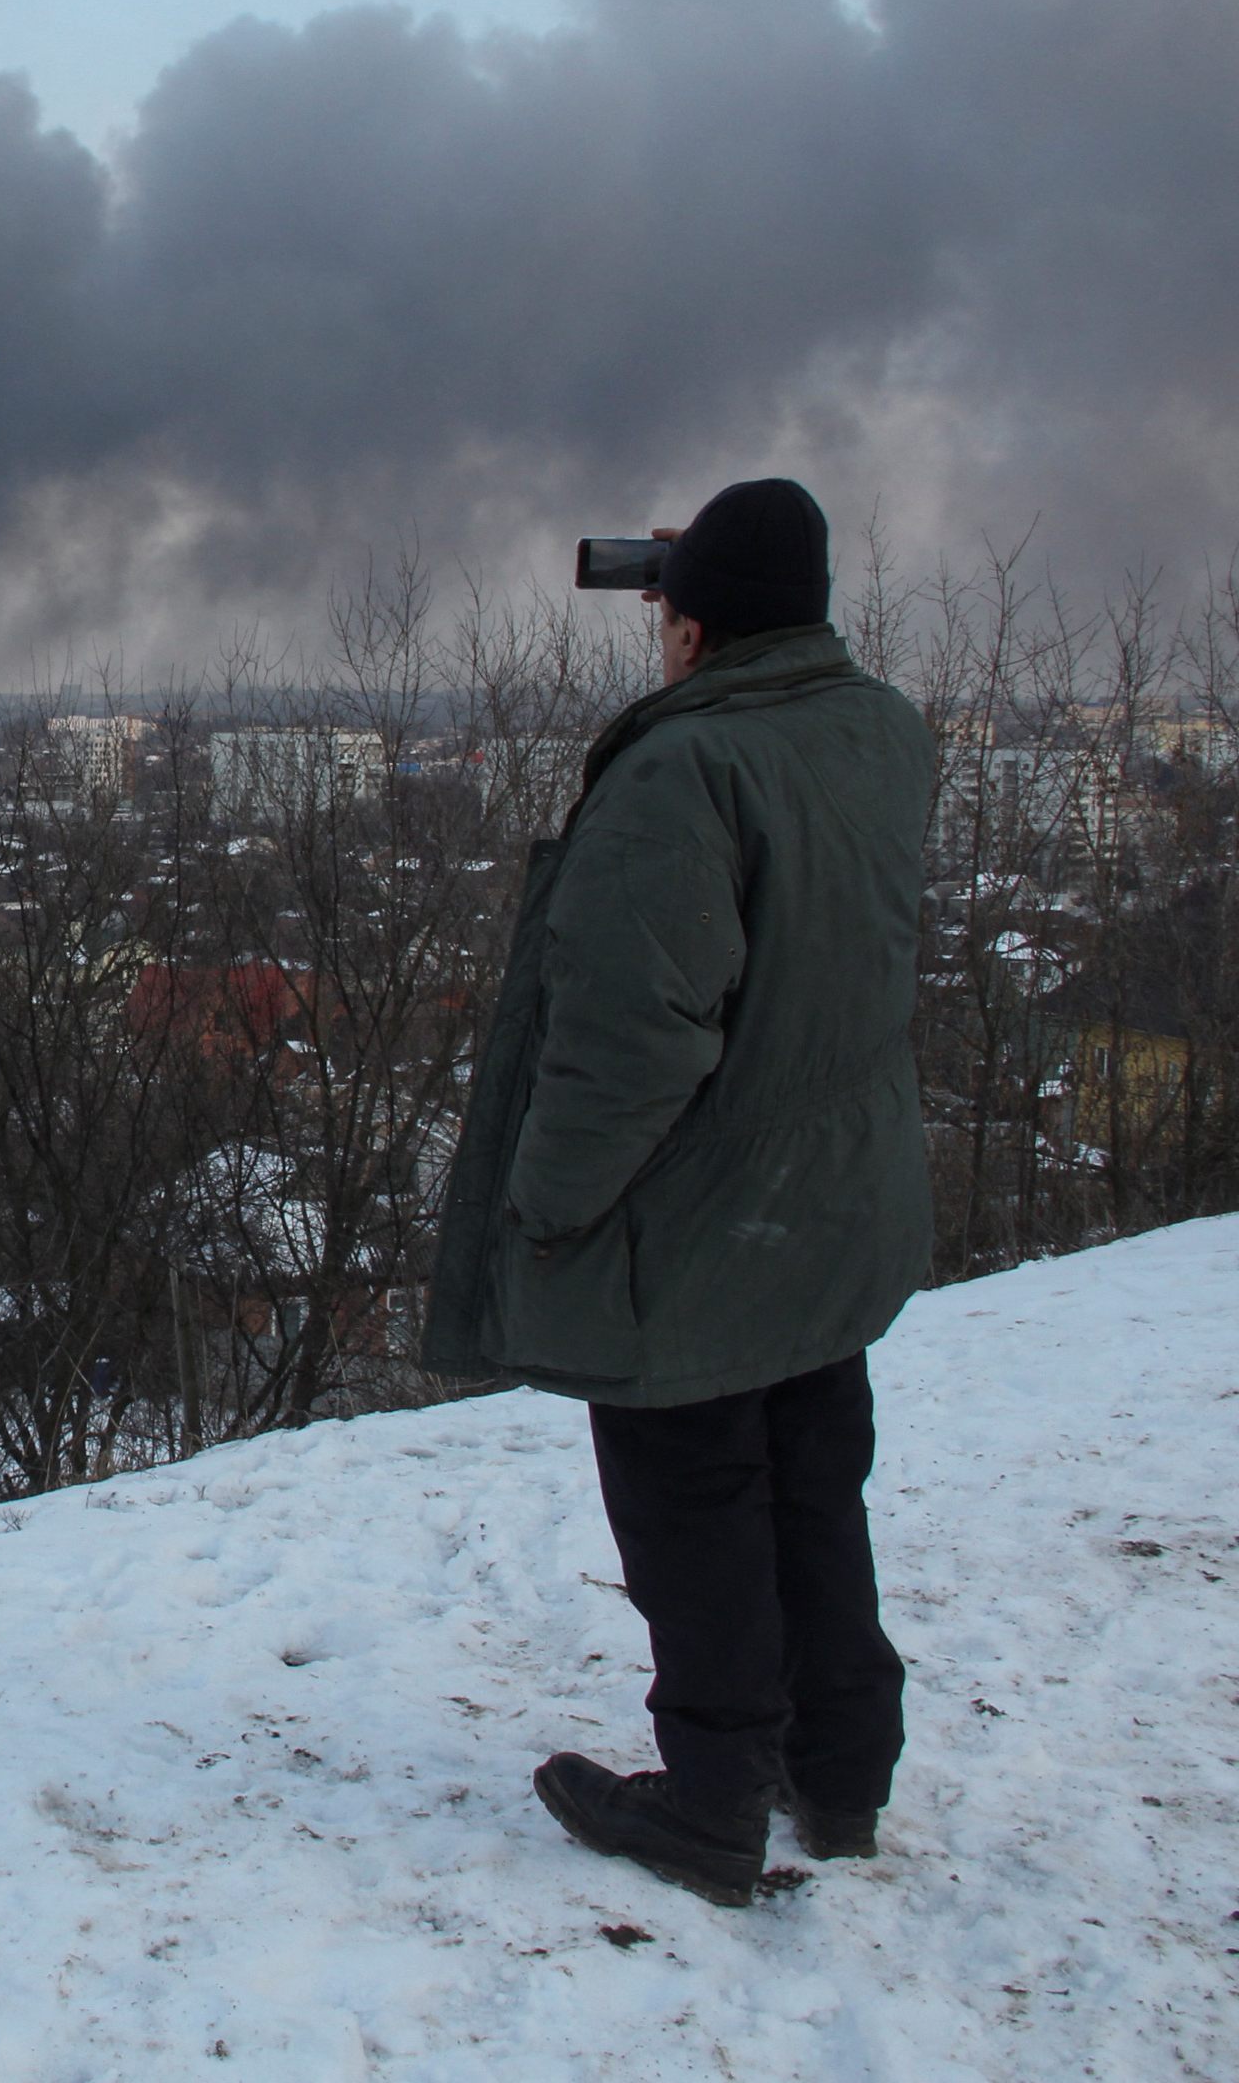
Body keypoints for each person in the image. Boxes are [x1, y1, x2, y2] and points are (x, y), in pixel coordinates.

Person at [422, 476, 933, 1908]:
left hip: (694, 1235)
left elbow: (631, 1039)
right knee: (816, 1492)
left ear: (692, 635)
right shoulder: (879, 734)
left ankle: (711, 1802)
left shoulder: (680, 774)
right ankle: (840, 1772)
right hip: (825, 1211)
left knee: (696, 1510)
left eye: (667, 614)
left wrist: (551, 1204)